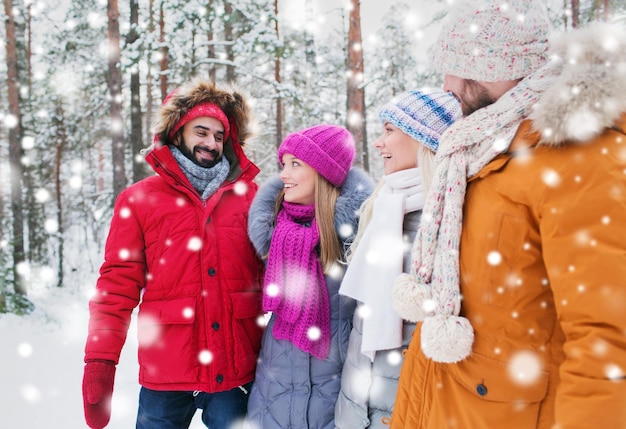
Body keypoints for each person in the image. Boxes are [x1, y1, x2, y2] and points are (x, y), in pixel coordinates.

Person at [390, 1, 626, 428]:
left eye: (457, 66)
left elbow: (609, 341)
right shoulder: (480, 150)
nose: (448, 84)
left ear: (498, 66)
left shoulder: (581, 158)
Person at [82, 79, 265, 429]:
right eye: (201, 131)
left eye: (219, 136)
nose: (211, 143)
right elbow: (116, 286)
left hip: (235, 368)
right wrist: (100, 362)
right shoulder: (138, 200)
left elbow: (279, 272)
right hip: (166, 367)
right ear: (177, 131)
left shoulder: (250, 197)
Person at [334, 89, 461, 428]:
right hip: (360, 403)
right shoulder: (386, 207)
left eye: (389, 130)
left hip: (408, 411)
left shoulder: (447, 225)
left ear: (424, 140)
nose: (378, 143)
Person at [243, 124, 374, 429]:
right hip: (271, 404)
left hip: (334, 407)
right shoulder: (272, 234)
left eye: (296, 165)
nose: (283, 175)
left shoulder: (359, 242)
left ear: (324, 173)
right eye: (283, 164)